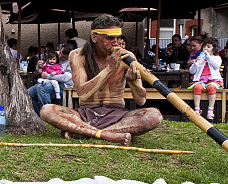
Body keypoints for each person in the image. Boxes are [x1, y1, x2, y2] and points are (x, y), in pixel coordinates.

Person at [39, 14, 162, 146]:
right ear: (94, 37)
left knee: (154, 116)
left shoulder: (127, 56)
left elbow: (141, 100)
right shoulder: (78, 55)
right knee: (47, 110)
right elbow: (82, 93)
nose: (116, 42)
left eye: (118, 37)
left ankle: (85, 132)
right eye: (110, 38)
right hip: (85, 113)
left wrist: (132, 82)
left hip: (117, 114)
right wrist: (109, 69)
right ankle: (106, 135)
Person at [188, 37, 223, 119]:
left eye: (208, 47)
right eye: (204, 47)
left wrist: (209, 57)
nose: (206, 49)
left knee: (211, 87)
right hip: (200, 80)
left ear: (213, 49)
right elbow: (192, 71)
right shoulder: (201, 58)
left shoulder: (216, 58)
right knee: (197, 87)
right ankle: (197, 109)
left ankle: (210, 110)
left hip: (213, 80)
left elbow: (216, 65)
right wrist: (195, 63)